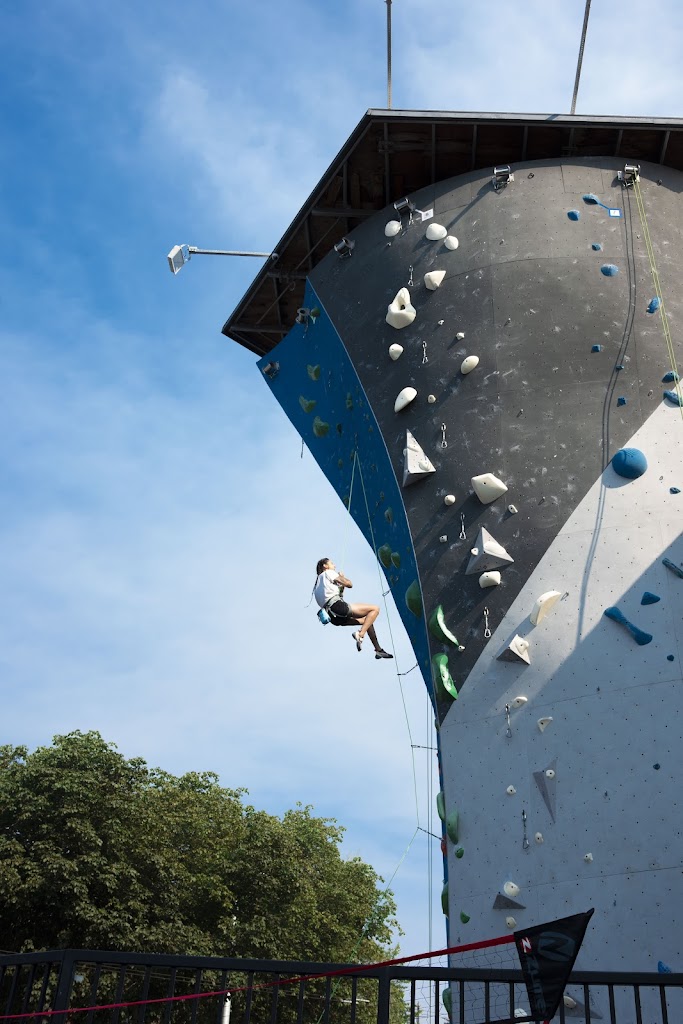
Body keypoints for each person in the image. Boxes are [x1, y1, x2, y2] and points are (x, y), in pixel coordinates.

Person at [313, 557, 393, 659]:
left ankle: (378, 650)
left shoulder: (318, 584)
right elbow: (349, 584)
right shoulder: (328, 573)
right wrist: (342, 578)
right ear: (325, 566)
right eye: (332, 563)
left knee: (368, 620)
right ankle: (360, 635)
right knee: (374, 609)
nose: (334, 566)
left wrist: (341, 584)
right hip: (337, 607)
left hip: (332, 617)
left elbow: (339, 595)